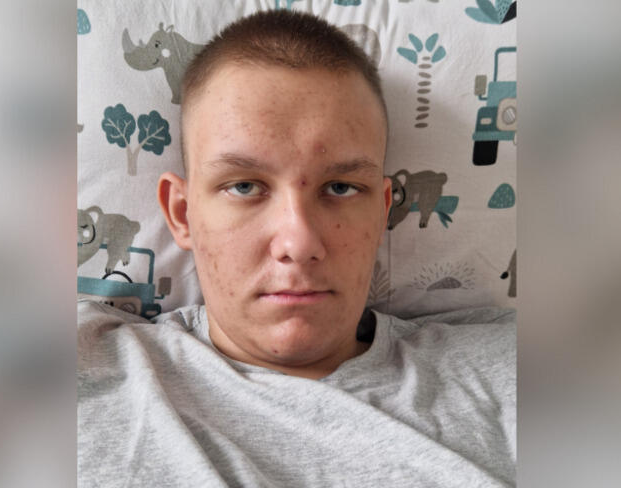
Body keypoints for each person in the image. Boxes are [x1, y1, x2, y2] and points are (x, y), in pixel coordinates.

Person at [78, 10, 515, 487]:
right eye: (244, 186)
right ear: (182, 214)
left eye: (341, 188)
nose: (299, 243)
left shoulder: (510, 373)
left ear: (383, 211)